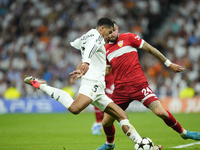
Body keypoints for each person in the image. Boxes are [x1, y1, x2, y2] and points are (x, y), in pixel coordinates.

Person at [24, 17, 162, 150]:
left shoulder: (87, 35)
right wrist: (86, 62)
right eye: (108, 32)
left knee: (122, 115)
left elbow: (76, 43)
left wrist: (83, 53)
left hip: (99, 87)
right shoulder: (97, 37)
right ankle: (41, 85)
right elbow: (92, 46)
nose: (109, 36)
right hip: (92, 83)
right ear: (102, 28)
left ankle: (142, 145)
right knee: (75, 108)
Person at [96, 20, 200, 149]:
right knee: (106, 122)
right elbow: (107, 71)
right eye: (109, 32)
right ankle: (109, 144)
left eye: (113, 30)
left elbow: (150, 49)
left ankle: (184, 133)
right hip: (120, 90)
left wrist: (168, 64)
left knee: (161, 112)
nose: (111, 34)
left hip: (139, 86)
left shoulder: (129, 37)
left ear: (117, 28)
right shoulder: (105, 50)